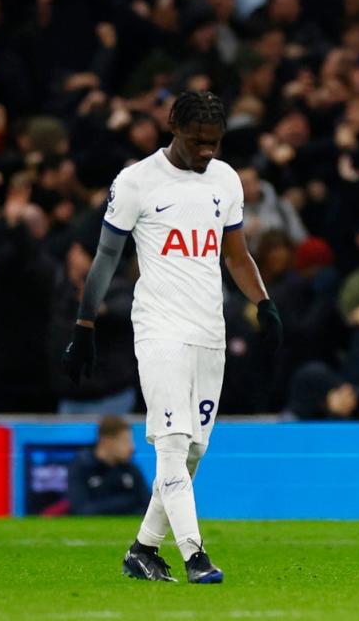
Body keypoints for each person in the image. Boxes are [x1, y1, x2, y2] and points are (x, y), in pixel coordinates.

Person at [60, 91, 283, 584]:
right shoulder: (137, 181)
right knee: (172, 443)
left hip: (210, 329)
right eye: (198, 141)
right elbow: (105, 258)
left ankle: (142, 549)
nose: (207, 151)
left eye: (215, 143)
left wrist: (263, 303)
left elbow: (236, 256)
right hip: (160, 328)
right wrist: (84, 325)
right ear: (173, 127)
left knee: (195, 450)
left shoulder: (225, 180)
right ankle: (195, 556)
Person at [67, 415, 150, 516]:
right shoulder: (82, 466)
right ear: (107, 442)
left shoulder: (130, 469)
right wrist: (127, 502)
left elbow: (148, 507)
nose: (132, 447)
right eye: (125, 441)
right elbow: (81, 509)